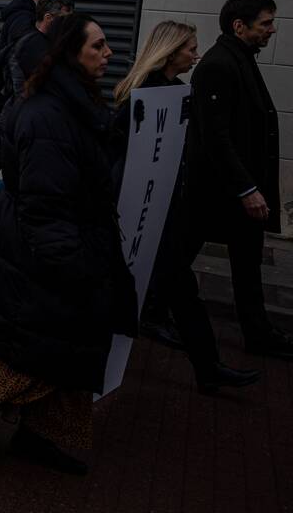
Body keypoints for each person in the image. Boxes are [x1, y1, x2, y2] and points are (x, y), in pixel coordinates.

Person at [0, 13, 137, 476]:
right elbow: (46, 207)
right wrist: (75, 267)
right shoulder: (48, 115)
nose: (109, 54)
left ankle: (38, 436)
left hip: (58, 244)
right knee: (38, 352)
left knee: (61, 351)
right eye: (98, 47)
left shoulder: (75, 103)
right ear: (69, 55)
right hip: (43, 253)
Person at [111, 21, 261, 393]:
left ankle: (208, 369)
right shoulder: (141, 95)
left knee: (183, 291)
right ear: (170, 50)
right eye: (190, 48)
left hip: (164, 212)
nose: (196, 54)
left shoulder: (177, 93)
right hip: (135, 212)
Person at [184, 0, 289, 358]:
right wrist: (246, 188)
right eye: (265, 24)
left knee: (246, 262)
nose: (272, 30)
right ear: (239, 26)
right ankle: (150, 310)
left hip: (234, 187)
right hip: (222, 191)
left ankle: (258, 333)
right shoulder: (219, 65)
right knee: (181, 254)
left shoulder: (238, 58)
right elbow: (216, 136)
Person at [0, 0, 60, 190]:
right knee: (2, 152)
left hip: (14, 99)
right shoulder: (22, 19)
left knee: (0, 151)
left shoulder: (28, 17)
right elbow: (19, 59)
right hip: (13, 98)